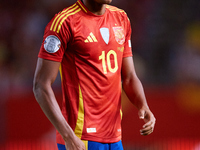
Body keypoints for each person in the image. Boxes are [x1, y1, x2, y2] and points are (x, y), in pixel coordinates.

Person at [33, 0, 156, 149]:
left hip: (115, 137)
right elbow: (40, 85)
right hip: (80, 137)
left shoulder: (121, 18)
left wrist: (143, 105)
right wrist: (68, 136)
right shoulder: (65, 22)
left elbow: (129, 76)